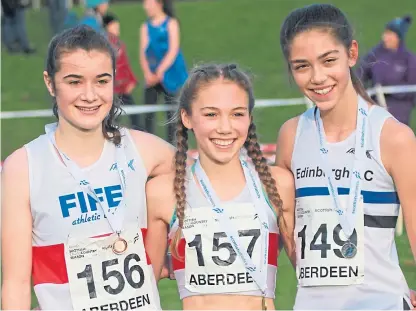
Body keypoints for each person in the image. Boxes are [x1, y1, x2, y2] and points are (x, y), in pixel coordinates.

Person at [1, 25, 175, 310]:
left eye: (102, 81)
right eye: (74, 82)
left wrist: (171, 252)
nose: (90, 95)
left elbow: (209, 184)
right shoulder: (24, 167)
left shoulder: (146, 151)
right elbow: (15, 284)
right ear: (50, 83)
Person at [275, 4, 416, 310]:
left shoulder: (394, 137)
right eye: (302, 66)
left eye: (328, 61)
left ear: (351, 54)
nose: (318, 77)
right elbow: (288, 225)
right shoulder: (291, 136)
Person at [145, 63, 295, 310]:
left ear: (250, 118)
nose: (225, 128)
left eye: (237, 114)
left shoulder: (278, 185)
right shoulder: (162, 193)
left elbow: (313, 273)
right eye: (211, 114)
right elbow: (143, 289)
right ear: (187, 117)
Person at [139, 0, 188, 144]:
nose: (145, 7)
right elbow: (143, 52)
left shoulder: (171, 23)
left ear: (159, 3)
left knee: (172, 115)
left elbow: (173, 50)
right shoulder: (145, 27)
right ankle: (147, 144)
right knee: (148, 112)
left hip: (171, 75)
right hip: (152, 76)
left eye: (148, 3)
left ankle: (172, 147)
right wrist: (148, 72)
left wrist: (161, 70)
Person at [358, 15, 416, 126]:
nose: (384, 37)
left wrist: (389, 95)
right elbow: (361, 73)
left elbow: (412, 88)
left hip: (400, 114)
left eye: (390, 34)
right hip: (375, 110)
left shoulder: (409, 59)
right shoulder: (375, 54)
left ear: (398, 37)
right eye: (385, 33)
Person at [103, 13, 141, 130]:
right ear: (107, 27)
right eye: (114, 27)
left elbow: (125, 65)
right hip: (116, 89)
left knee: (130, 116)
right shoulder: (108, 44)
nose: (117, 30)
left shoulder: (118, 43)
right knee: (116, 117)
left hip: (122, 88)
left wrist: (132, 80)